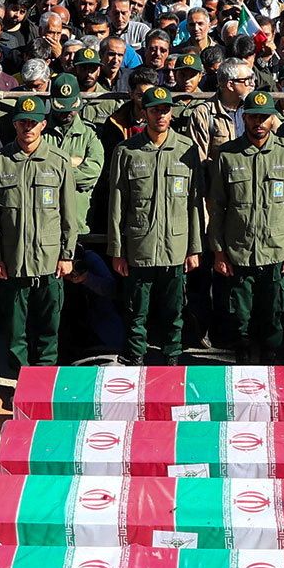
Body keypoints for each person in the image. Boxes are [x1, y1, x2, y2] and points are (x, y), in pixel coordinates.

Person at [204, 89, 284, 361]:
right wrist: (218, 251)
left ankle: (271, 360)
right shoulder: (228, 155)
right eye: (253, 117)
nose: (258, 123)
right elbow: (217, 208)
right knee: (239, 315)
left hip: (275, 250)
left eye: (264, 117)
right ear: (244, 117)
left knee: (273, 313)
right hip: (239, 250)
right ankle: (243, 361)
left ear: (273, 119)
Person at [107, 85, 202, 365]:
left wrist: (194, 248)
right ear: (144, 113)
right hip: (140, 245)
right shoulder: (127, 151)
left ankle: (172, 357)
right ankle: (136, 356)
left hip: (175, 244)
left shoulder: (186, 150)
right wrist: (117, 250)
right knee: (136, 309)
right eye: (154, 110)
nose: (160, 115)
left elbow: (194, 203)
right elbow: (117, 203)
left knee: (174, 311)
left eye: (165, 110)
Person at [0, 92, 77, 369]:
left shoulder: (58, 162)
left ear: (43, 125)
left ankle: (45, 380)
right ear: (14, 124)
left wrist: (67, 254)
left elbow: (68, 214)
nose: (28, 127)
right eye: (23, 121)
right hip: (14, 260)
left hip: (50, 260)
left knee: (49, 326)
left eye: (33, 122)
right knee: (15, 330)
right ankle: (20, 381)